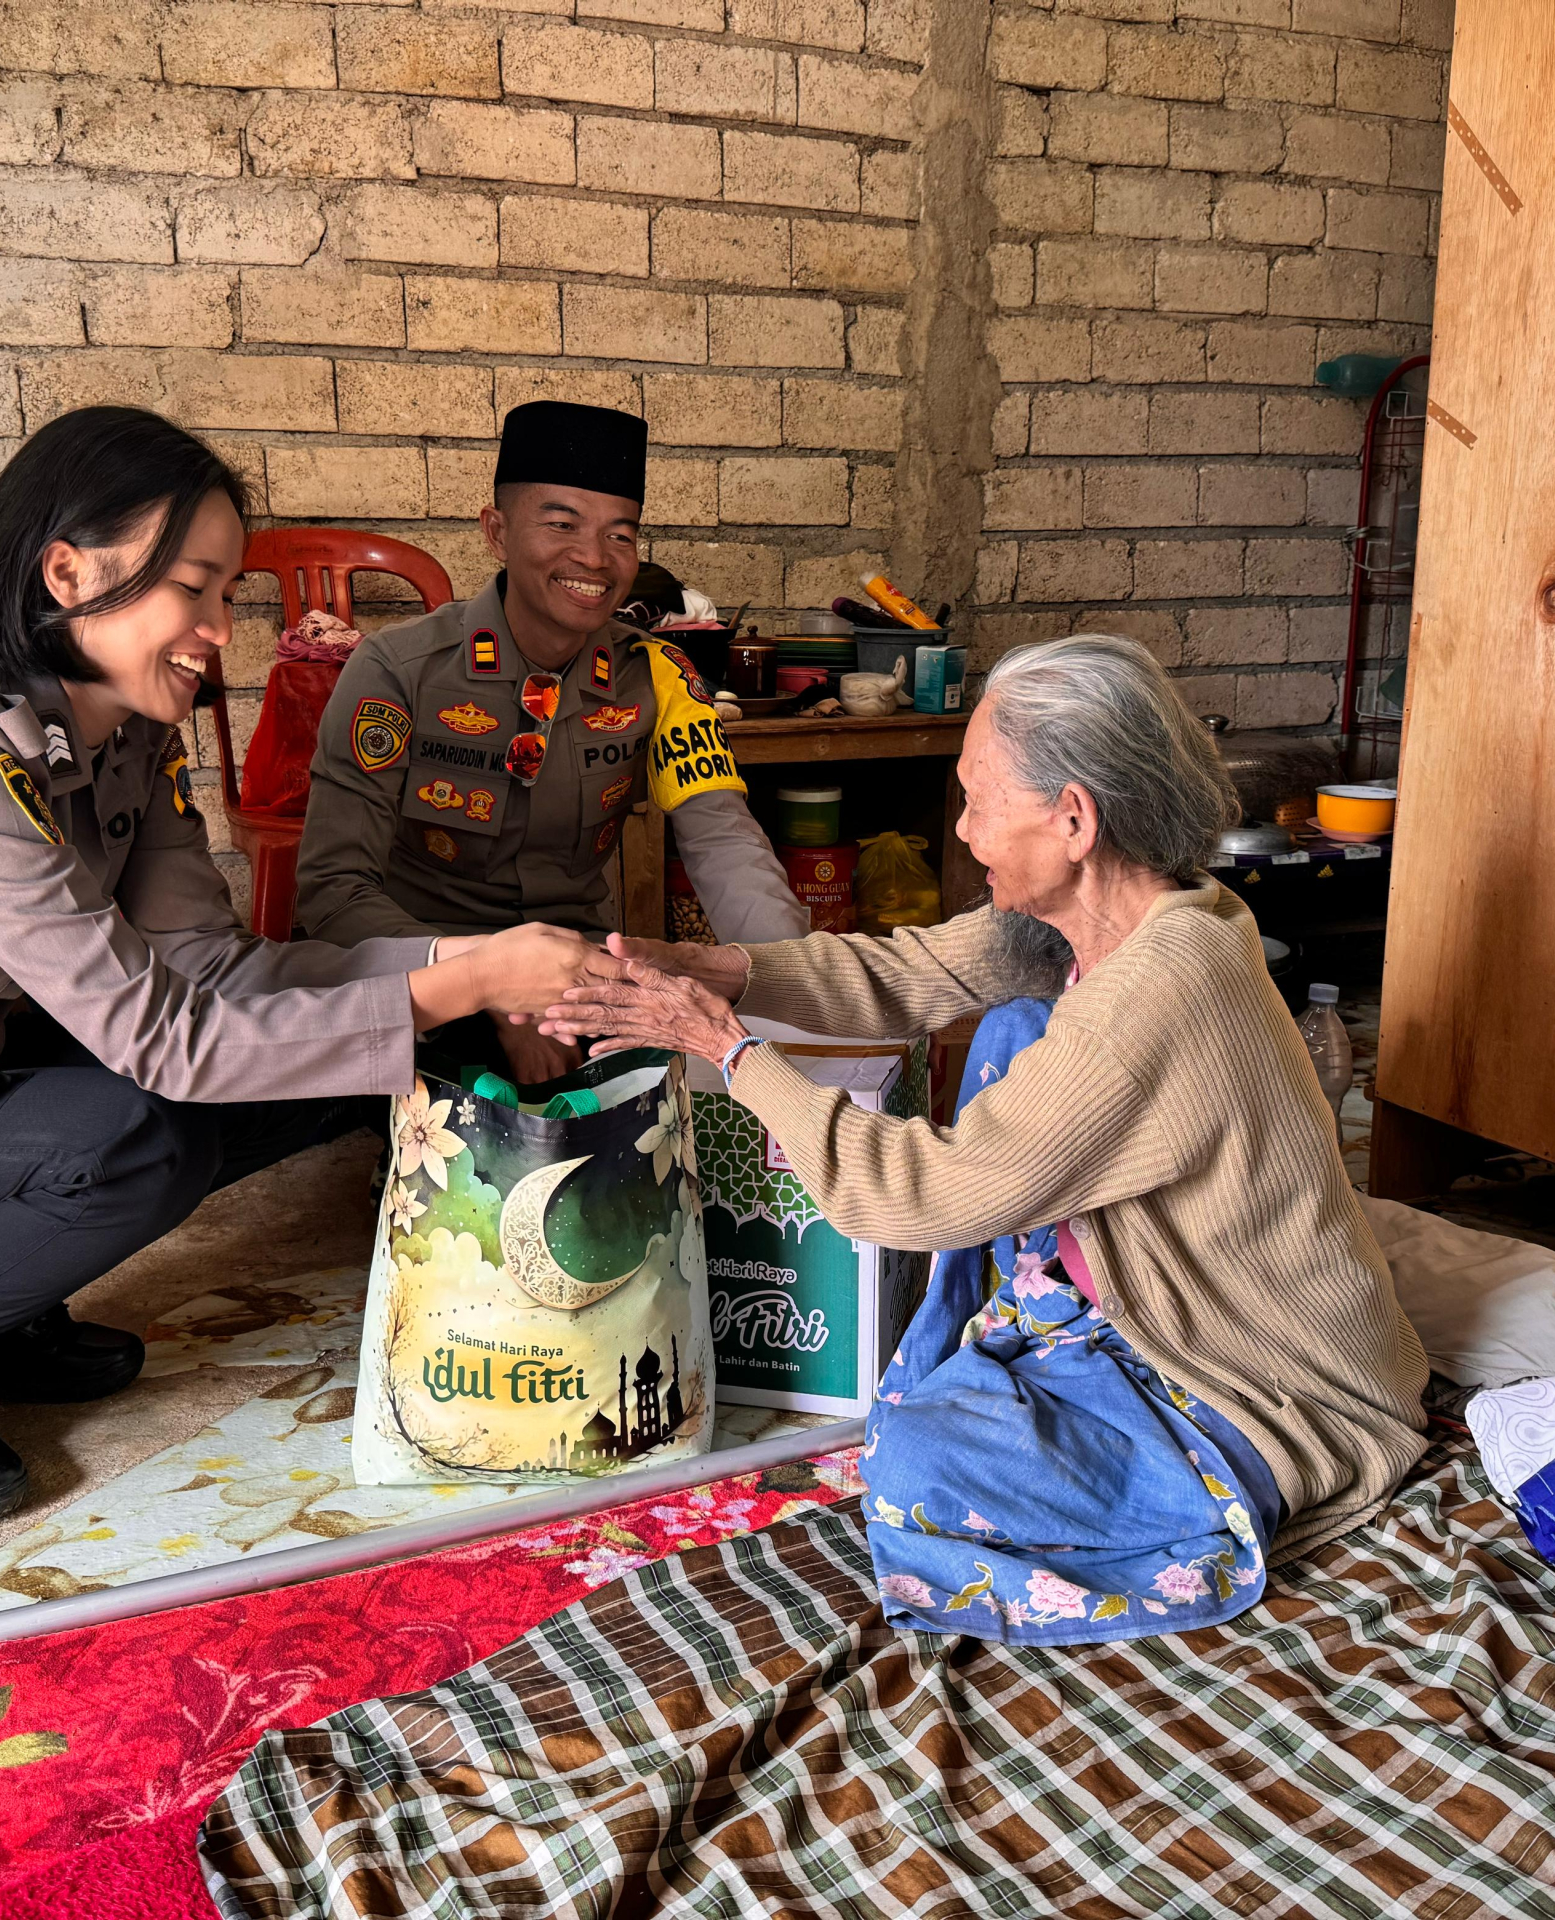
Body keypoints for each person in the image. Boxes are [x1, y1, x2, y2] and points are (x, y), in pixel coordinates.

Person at [0, 407, 590, 1536]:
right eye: (196, 588)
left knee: (333, 1055)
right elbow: (165, 1044)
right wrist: (467, 983)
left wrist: (469, 964)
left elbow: (214, 978)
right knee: (142, 1125)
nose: (224, 630)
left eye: (229, 595)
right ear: (69, 569)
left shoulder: (132, 738)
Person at [542, 634, 1430, 1645]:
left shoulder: (1154, 996)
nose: (962, 831)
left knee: (919, 1466)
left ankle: (1176, 1482)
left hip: (1262, 1383)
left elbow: (915, 1201)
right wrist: (708, 966)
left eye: (975, 801)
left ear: (1074, 819)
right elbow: (904, 975)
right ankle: (1038, 1347)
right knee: (1011, 1030)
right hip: (1139, 1299)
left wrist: (727, 1051)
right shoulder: (1118, 910)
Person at [293, 400, 806, 1090]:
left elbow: (723, 843)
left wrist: (796, 994)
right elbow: (332, 895)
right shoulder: (399, 672)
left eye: (620, 536)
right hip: (422, 972)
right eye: (561, 524)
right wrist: (491, 985)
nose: (593, 559)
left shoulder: (656, 677)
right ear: (497, 531)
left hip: (582, 978)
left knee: (681, 1106)